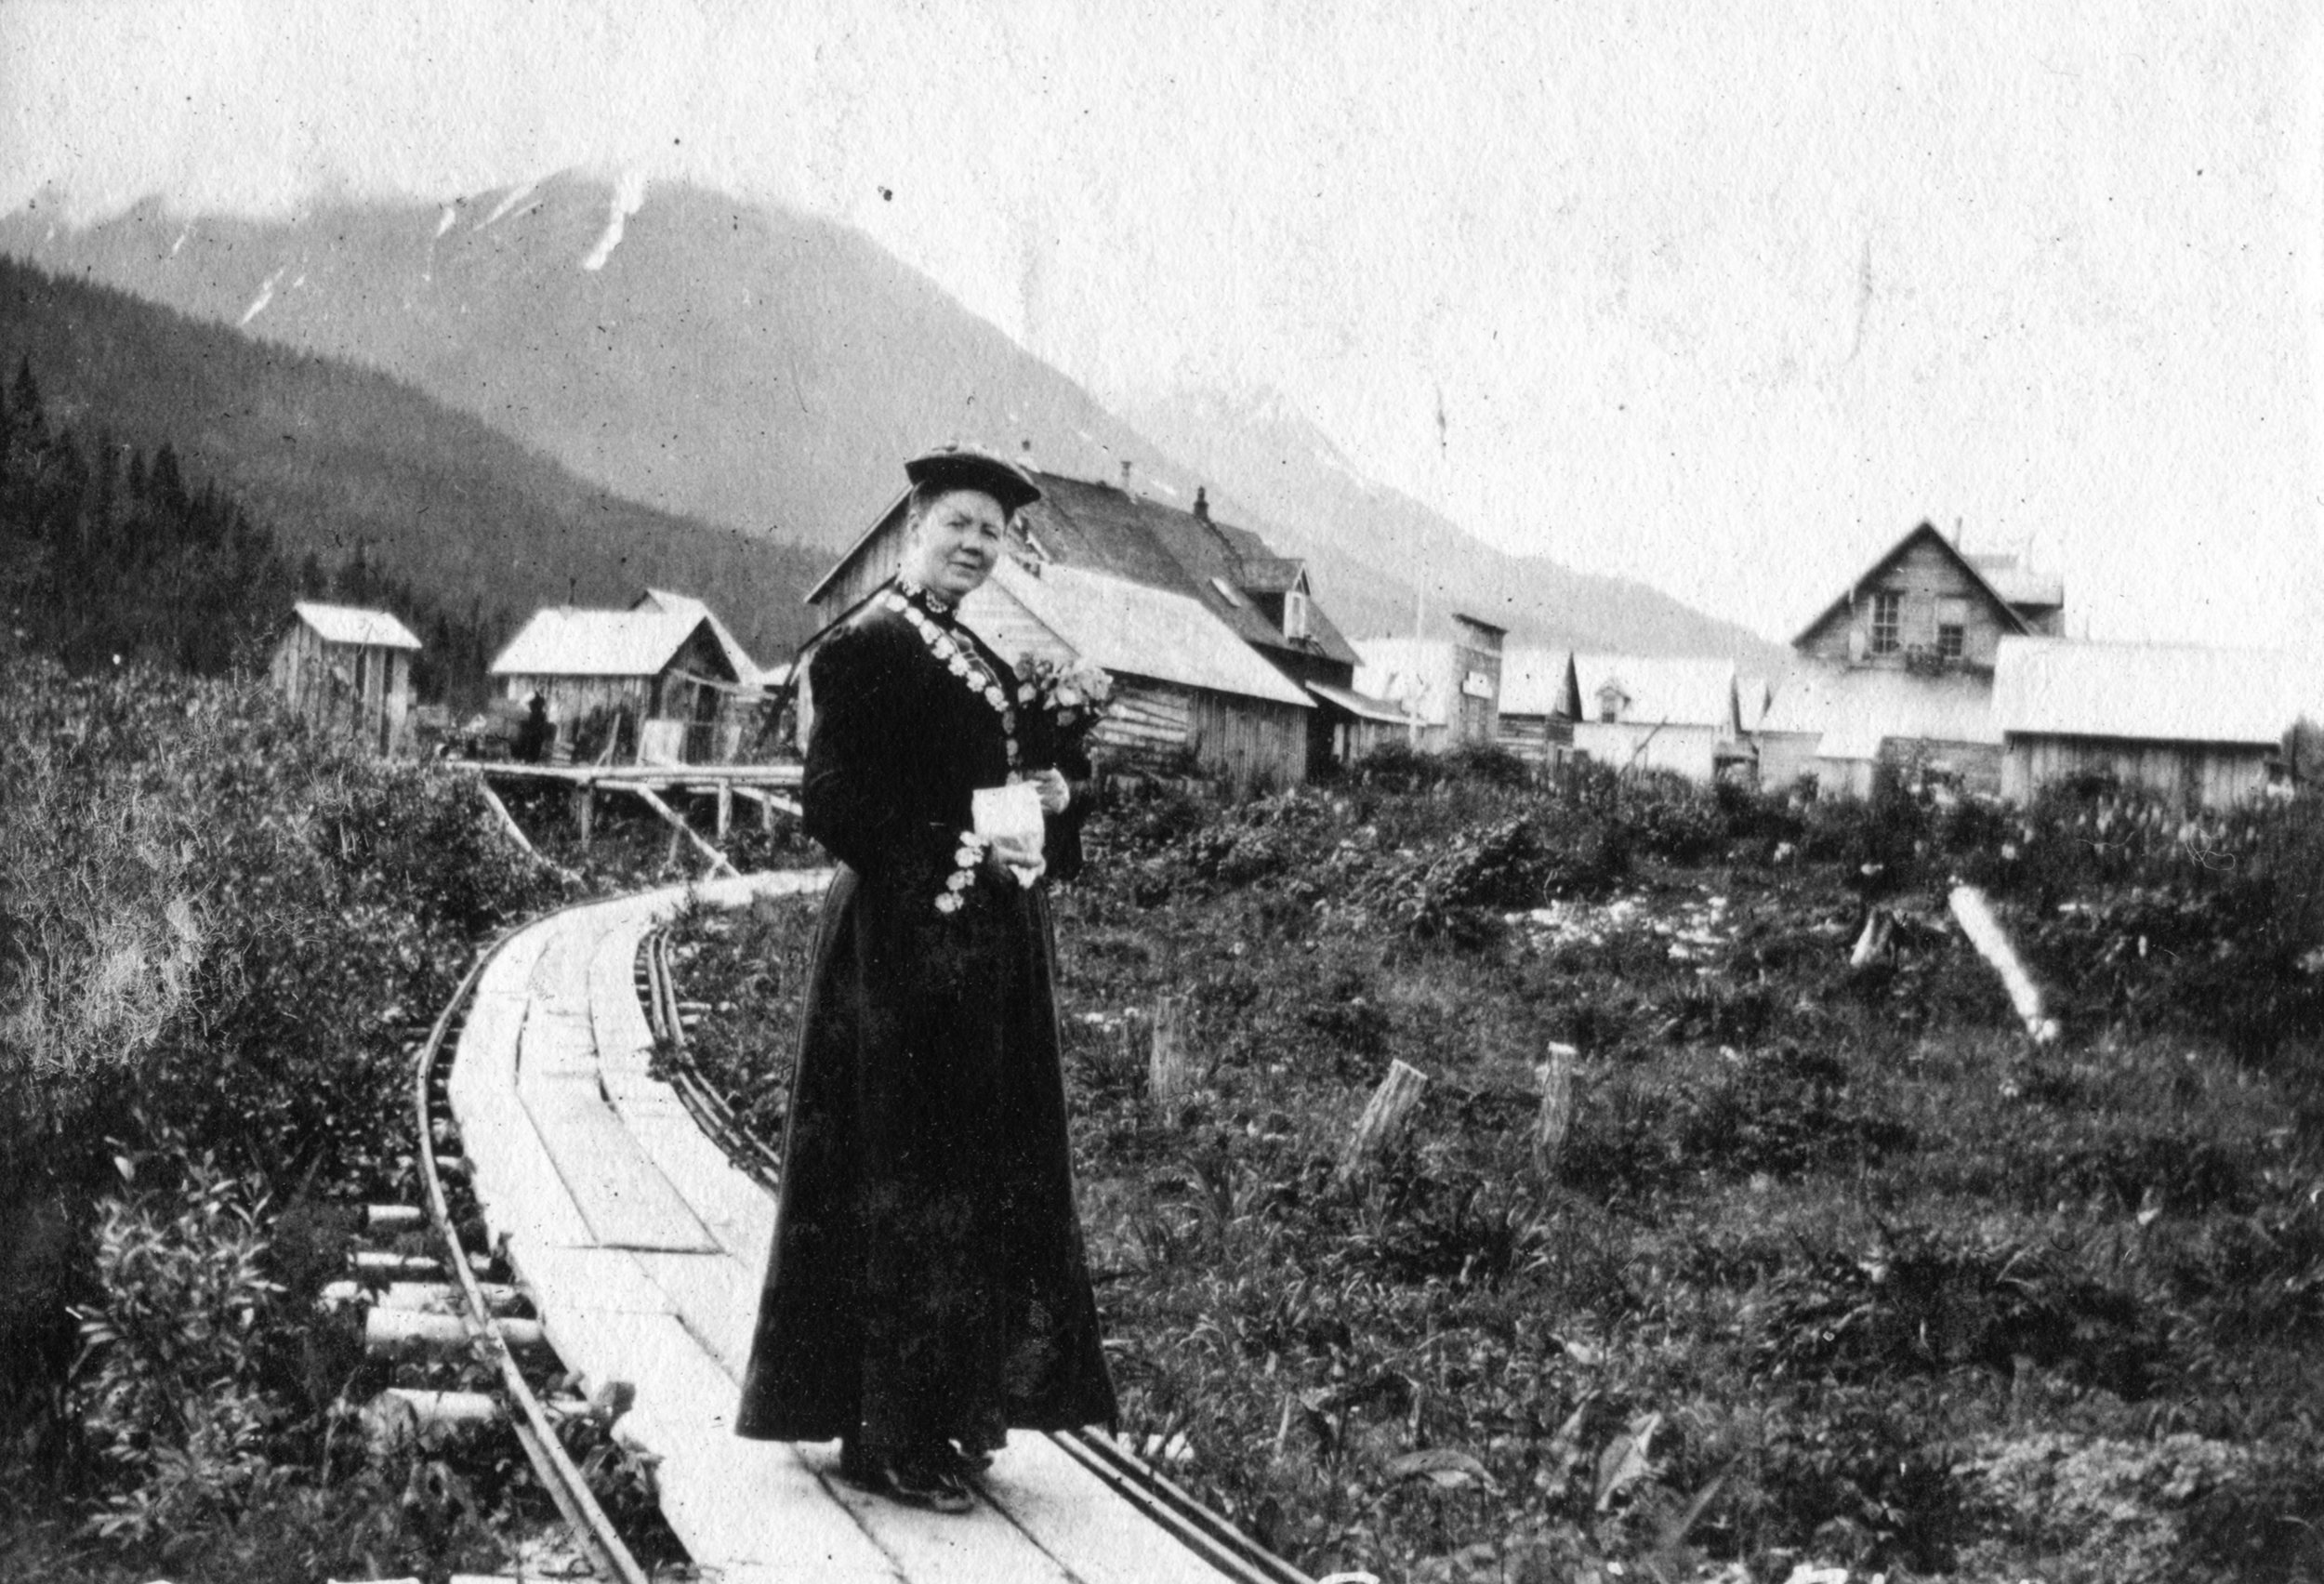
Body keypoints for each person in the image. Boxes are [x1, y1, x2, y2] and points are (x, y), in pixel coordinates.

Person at [734, 447, 1116, 1513]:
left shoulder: (968, 645)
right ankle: (883, 1434)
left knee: (966, 1179)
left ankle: (945, 1412)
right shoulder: (867, 646)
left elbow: (994, 782)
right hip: (897, 960)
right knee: (901, 1178)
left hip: (974, 964)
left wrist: (1051, 796)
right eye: (957, 524)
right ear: (914, 524)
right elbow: (836, 804)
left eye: (991, 533)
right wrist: (961, 857)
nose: (974, 545)